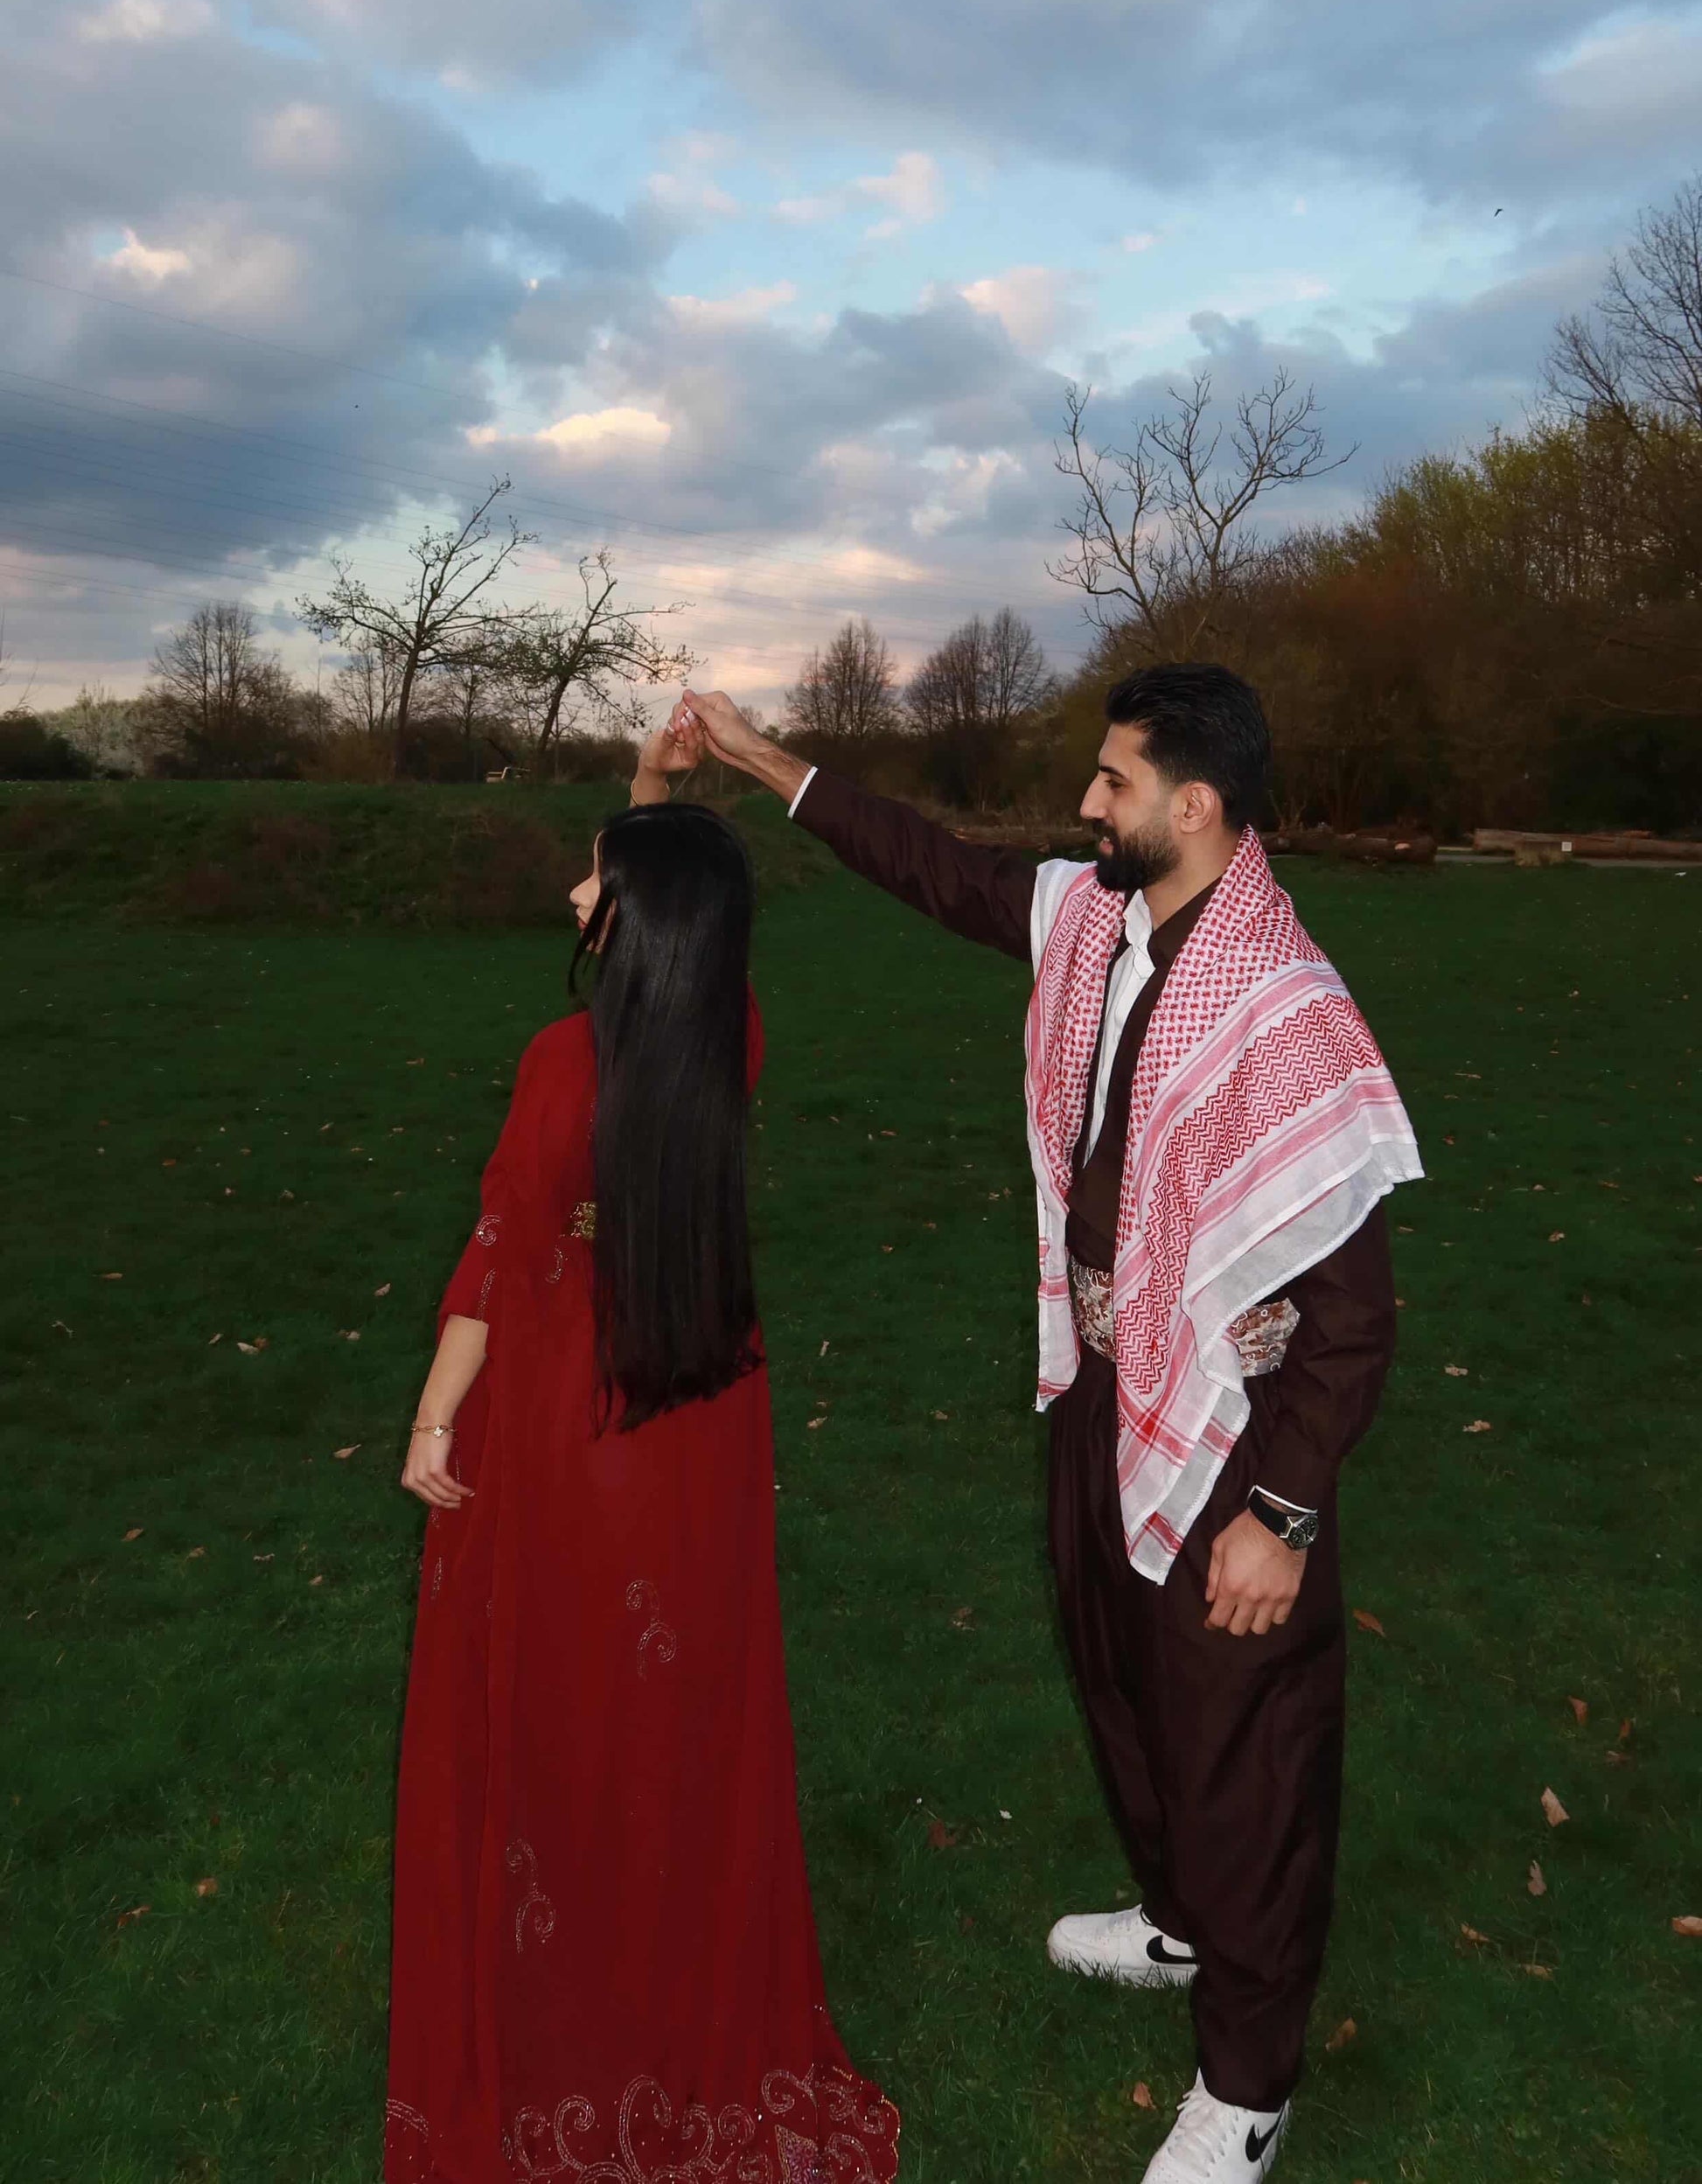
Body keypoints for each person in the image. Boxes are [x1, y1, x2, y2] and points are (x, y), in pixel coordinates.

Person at [671, 665, 1420, 2184]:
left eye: (1112, 781)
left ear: (1193, 808)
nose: (1086, 802)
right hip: (1104, 1390)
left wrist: (1280, 1517)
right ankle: (1180, 1920)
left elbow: (1350, 1321)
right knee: (1119, 1682)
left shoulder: (1284, 1013)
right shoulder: (1098, 920)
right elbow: (937, 868)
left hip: (1232, 1434)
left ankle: (1248, 2083)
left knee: (1241, 1750)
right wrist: (759, 761)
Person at [384, 730, 901, 2184]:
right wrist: (652, 792)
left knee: (557, 1701)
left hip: (570, 1411)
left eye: (592, 881)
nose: (571, 895)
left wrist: (431, 1417)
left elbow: (499, 1254)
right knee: (680, 1699)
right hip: (699, 1413)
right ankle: (674, 1945)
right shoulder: (730, 1036)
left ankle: (568, 1983)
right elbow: (684, 912)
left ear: (635, 916)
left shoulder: (560, 1064)